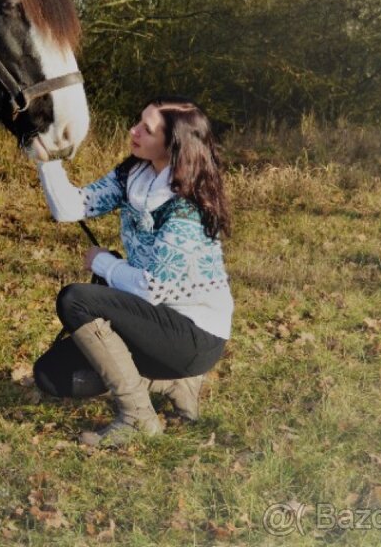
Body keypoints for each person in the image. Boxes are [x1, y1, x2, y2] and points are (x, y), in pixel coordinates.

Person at [32, 96, 233, 447]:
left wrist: (103, 264)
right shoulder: (133, 174)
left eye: (146, 129)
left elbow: (152, 288)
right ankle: (174, 384)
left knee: (76, 300)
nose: (133, 131)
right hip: (151, 322)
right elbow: (73, 207)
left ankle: (138, 417)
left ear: (173, 145)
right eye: (138, 122)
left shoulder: (186, 207)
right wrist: (46, 162)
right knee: (54, 377)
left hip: (194, 337)